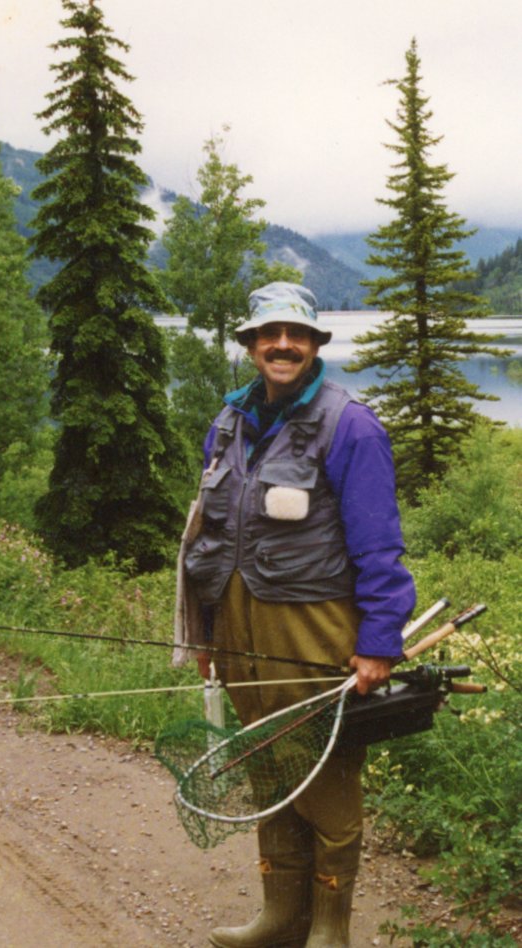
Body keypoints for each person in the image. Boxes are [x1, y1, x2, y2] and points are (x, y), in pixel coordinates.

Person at [180, 282, 416, 947]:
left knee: (325, 775)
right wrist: (203, 632)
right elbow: (208, 536)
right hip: (235, 626)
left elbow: (378, 546)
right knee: (266, 763)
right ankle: (281, 916)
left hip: (312, 628)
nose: (282, 345)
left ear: (314, 345)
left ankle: (330, 931)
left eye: (297, 334)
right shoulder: (226, 423)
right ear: (251, 345)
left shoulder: (352, 426)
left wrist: (378, 642)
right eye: (268, 333)